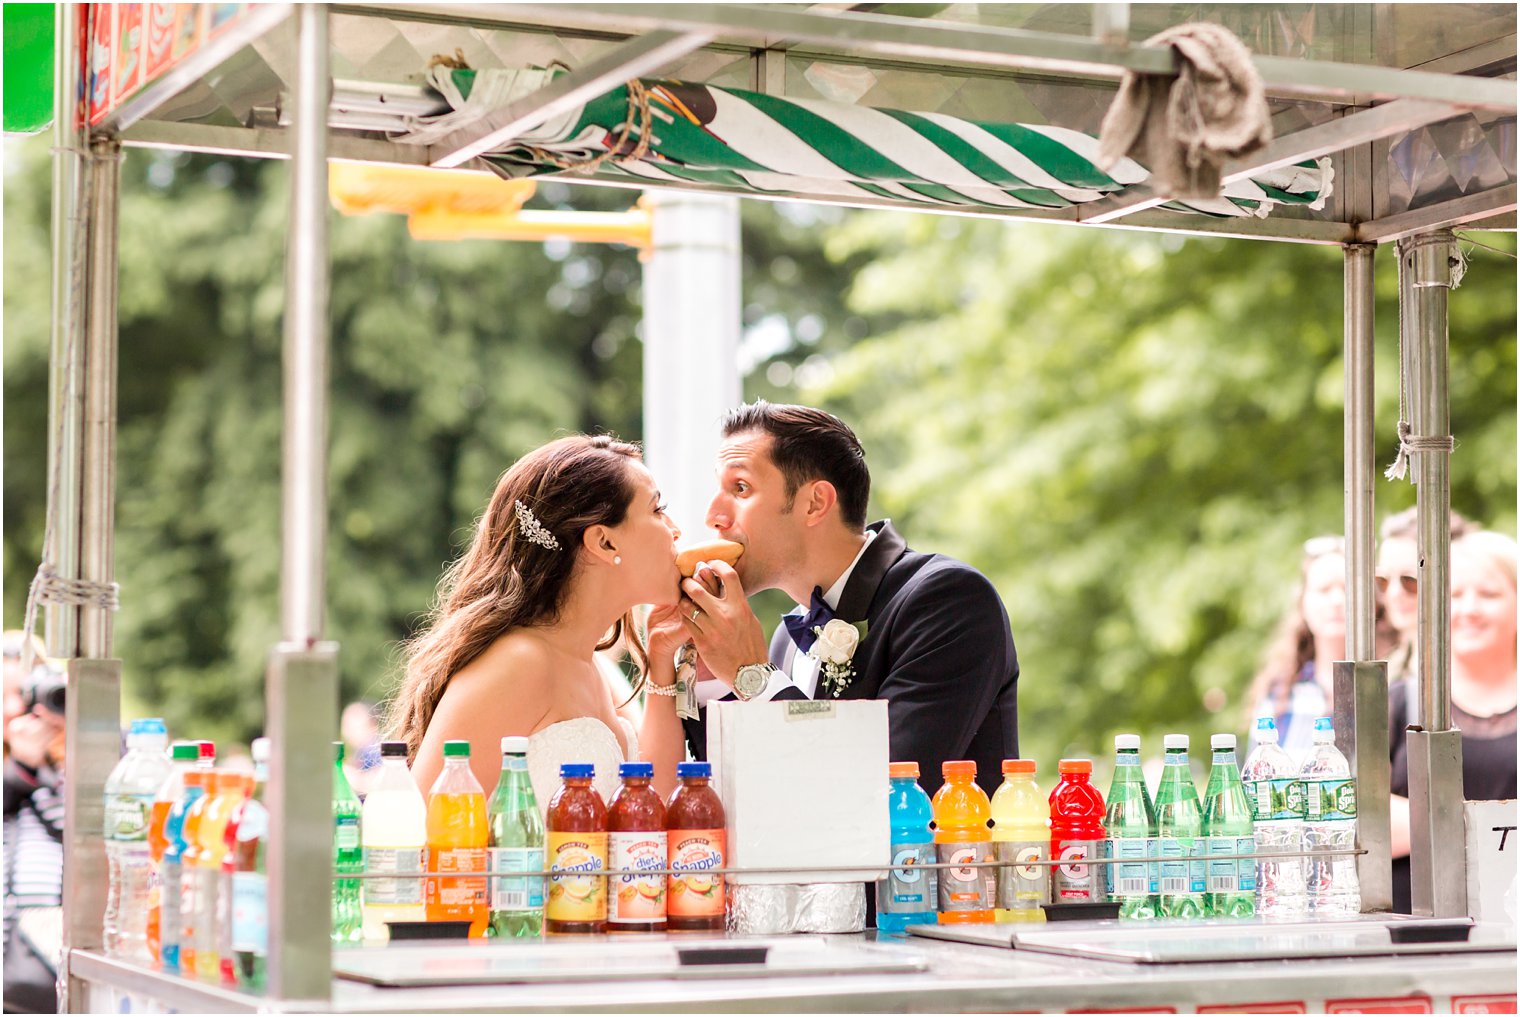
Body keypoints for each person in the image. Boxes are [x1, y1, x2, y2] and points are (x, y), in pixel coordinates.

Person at [672, 402, 1018, 796]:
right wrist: (710, 680)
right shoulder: (787, 638)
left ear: (815, 503)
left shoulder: (948, 601)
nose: (713, 515)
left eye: (740, 488)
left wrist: (754, 676)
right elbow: (748, 798)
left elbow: (886, 790)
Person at [388, 434, 689, 804]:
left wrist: (661, 661)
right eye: (658, 510)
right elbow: (423, 830)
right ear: (604, 542)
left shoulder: (588, 666)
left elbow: (654, 806)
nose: (675, 529)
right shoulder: (519, 662)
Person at [1388, 530, 1517, 913]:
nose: (1469, 609)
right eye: (1455, 595)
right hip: (1413, 931)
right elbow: (1363, 822)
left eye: (1489, 594)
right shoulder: (1399, 702)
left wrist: (1424, 822)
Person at [3, 632, 65, 1015]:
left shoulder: (70, 767)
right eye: (4, 695)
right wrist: (21, 768)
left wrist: (69, 756)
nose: (15, 709)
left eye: (27, 695)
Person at [1246, 536, 1350, 760]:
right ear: (1303, 602)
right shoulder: (1280, 692)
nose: (1337, 600)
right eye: (1323, 590)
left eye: (1347, 588)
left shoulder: (1390, 685)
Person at [1378, 507, 1473, 684]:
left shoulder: (1475, 668)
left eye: (1409, 580)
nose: (1394, 593)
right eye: (1383, 580)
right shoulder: (1388, 673)